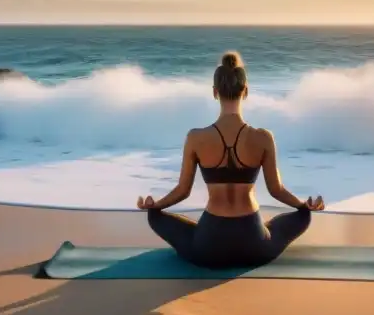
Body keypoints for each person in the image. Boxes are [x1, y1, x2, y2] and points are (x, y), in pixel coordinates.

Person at [137, 51, 324, 269]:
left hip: (209, 247)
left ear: (215, 92)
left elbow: (182, 191)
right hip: (254, 245)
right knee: (303, 217)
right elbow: (276, 190)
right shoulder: (263, 138)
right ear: (246, 91)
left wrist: (155, 205)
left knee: (155, 218)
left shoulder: (196, 138)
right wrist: (304, 205)